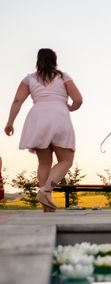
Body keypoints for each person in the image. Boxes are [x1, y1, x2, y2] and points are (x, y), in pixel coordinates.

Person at [4, 48, 83, 212]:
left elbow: (18, 100)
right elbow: (78, 99)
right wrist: (71, 108)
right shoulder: (63, 77)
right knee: (66, 160)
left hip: (38, 117)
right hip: (59, 116)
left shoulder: (29, 79)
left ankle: (46, 203)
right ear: (55, 60)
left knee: (44, 163)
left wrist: (10, 122)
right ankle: (46, 190)